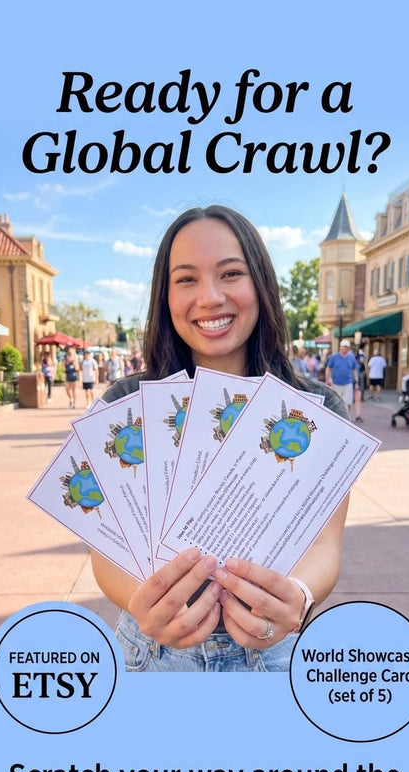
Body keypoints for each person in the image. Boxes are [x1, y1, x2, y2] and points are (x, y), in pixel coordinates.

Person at [91, 205, 349, 672]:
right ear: (164, 296)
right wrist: (148, 606)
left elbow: (326, 544)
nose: (209, 297)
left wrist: (300, 596)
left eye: (231, 273)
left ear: (262, 285)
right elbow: (105, 552)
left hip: (277, 651)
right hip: (154, 654)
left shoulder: (316, 407)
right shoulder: (125, 403)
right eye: (186, 279)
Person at [325, 339, 362, 422]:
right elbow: (328, 368)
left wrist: (356, 381)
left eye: (346, 347)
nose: (345, 348)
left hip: (348, 382)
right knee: (337, 401)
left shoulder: (351, 357)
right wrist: (327, 379)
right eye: (343, 347)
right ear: (340, 347)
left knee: (348, 402)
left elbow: (354, 370)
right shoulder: (334, 357)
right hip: (336, 383)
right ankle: (337, 418)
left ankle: (346, 418)